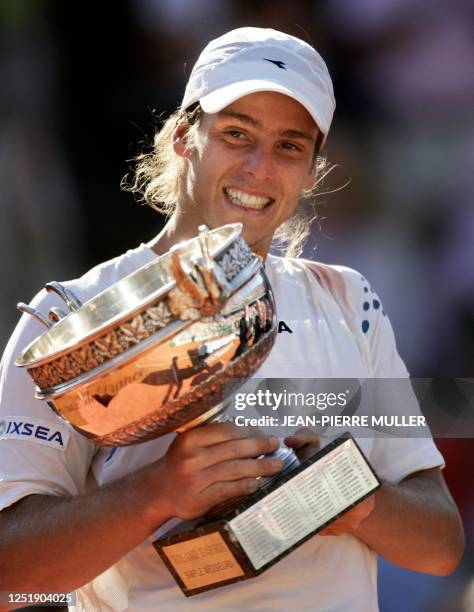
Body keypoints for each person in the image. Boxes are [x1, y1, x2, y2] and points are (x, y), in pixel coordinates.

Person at [0, 27, 464, 612]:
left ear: (312, 172)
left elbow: (441, 545)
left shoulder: (349, 303)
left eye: (289, 147)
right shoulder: (66, 318)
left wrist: (348, 496)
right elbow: (8, 582)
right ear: (181, 137)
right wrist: (157, 492)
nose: (258, 168)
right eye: (236, 134)